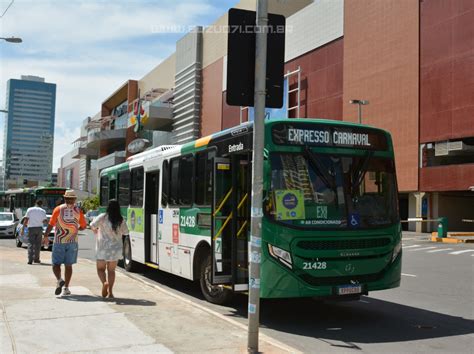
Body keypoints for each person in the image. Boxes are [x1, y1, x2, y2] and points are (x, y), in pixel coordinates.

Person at [43, 190, 87, 296]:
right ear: (74, 199)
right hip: (72, 241)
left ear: (65, 198)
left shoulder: (58, 209)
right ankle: (66, 288)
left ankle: (59, 279)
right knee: (69, 265)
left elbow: (51, 224)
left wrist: (45, 236)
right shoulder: (78, 210)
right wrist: (77, 229)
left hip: (59, 240)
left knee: (55, 264)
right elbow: (84, 226)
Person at [90, 199, 129, 299]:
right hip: (115, 249)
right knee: (111, 271)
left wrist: (95, 230)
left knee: (100, 269)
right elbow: (126, 232)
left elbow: (92, 225)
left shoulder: (103, 217)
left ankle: (104, 283)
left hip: (102, 247)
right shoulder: (121, 219)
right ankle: (110, 292)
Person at [24, 199, 47, 264]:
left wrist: (23, 228)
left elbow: (26, 219)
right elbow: (44, 221)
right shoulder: (43, 211)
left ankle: (30, 260)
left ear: (35, 203)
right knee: (38, 244)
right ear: (41, 204)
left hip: (31, 228)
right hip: (39, 228)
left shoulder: (30, 209)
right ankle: (36, 259)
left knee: (30, 244)